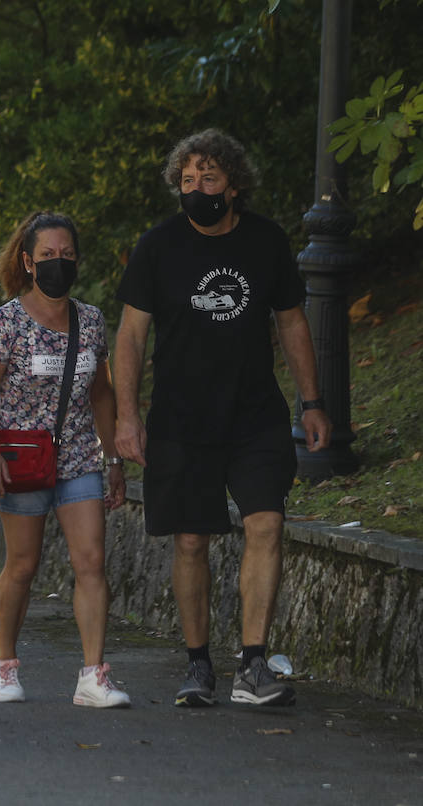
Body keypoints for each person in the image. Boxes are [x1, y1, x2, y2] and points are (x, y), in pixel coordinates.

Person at [113, 129, 332, 708]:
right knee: (190, 540)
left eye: (208, 178)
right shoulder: (158, 246)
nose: (196, 189)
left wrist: (312, 403)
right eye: (186, 181)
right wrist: (128, 417)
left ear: (233, 185)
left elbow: (291, 323)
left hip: (255, 416)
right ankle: (198, 664)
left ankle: (254, 664)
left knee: (266, 524)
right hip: (182, 420)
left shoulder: (266, 243)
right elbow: (131, 337)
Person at [0, 211, 131, 709]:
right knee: (22, 565)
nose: (57, 264)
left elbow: (102, 394)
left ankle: (93, 674)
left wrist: (112, 461)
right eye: (47, 257)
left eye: (66, 256)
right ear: (27, 261)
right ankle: (4, 663)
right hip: (22, 458)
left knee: (91, 562)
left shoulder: (90, 320)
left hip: (80, 455)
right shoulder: (7, 322)